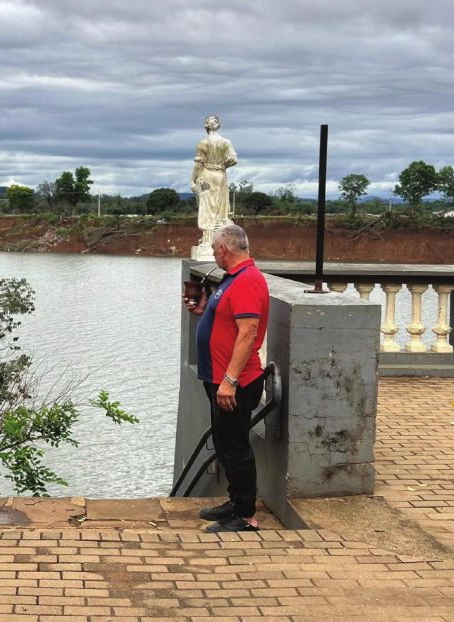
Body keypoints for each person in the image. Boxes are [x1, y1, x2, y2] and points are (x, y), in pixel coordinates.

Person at [182, 223, 269, 533]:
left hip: (235, 382)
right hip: (219, 378)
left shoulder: (246, 281)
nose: (214, 254)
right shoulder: (233, 279)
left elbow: (248, 333)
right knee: (223, 442)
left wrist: (230, 380)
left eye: (215, 250)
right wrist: (205, 309)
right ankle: (235, 501)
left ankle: (246, 516)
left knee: (234, 447)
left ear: (223, 250)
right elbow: (230, 321)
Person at [190, 115, 238, 246]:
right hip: (221, 175)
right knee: (220, 208)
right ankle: (216, 240)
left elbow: (198, 163)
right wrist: (223, 166)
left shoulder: (203, 143)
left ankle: (208, 240)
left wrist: (192, 180)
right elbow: (234, 159)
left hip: (207, 175)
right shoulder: (226, 142)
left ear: (206, 126)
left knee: (207, 207)